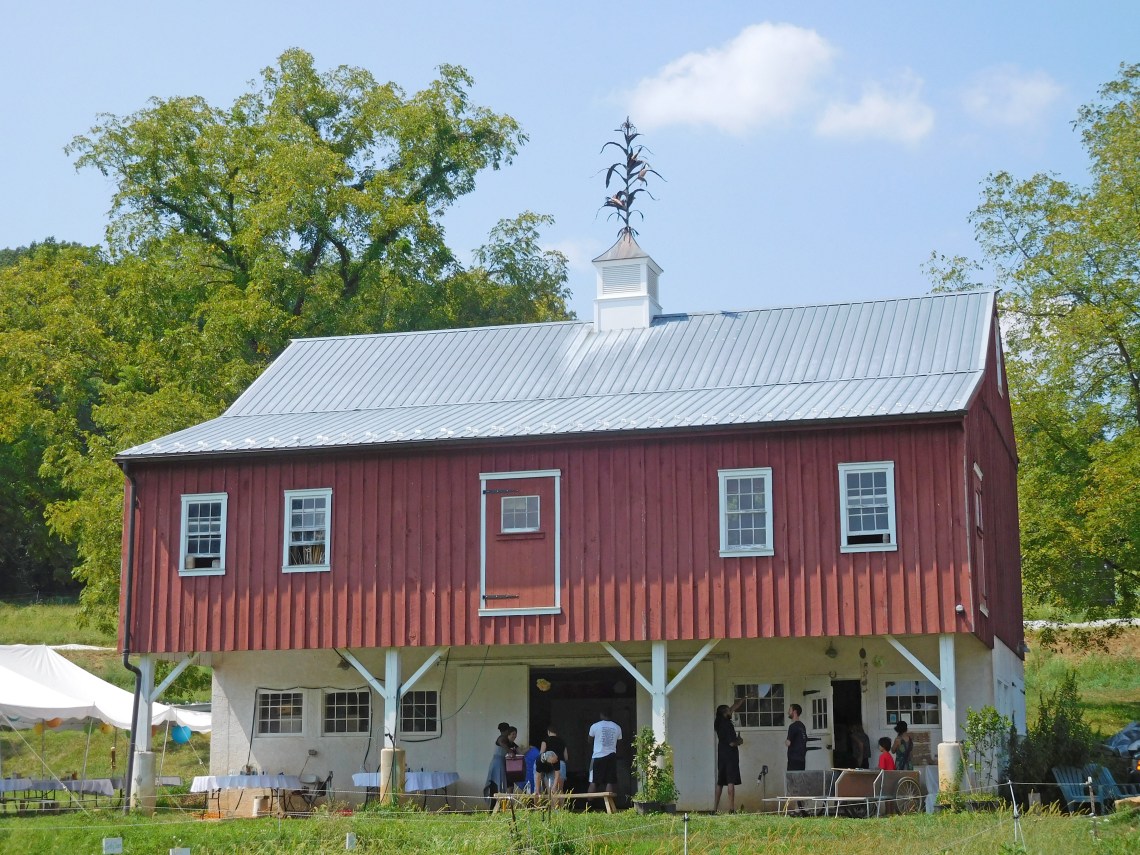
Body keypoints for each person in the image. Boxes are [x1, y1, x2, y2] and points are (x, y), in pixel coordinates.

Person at [713, 697, 746, 812]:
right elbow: (732, 743)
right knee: (730, 781)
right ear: (724, 713)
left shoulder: (718, 722)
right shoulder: (727, 725)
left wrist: (745, 697)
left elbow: (734, 707)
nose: (731, 712)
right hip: (730, 756)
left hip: (721, 755)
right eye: (728, 711)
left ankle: (715, 809)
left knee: (720, 782)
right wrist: (740, 741)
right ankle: (731, 809)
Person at [587, 709, 622, 795]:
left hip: (597, 756)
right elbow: (619, 742)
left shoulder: (595, 726)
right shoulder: (617, 727)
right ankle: (608, 806)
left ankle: (589, 805)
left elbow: (589, 740)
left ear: (601, 715)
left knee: (593, 781)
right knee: (609, 781)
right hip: (611, 756)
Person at [485, 721, 515, 795]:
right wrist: (510, 751)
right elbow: (502, 744)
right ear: (507, 730)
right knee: (498, 781)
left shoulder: (505, 739)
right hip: (498, 762)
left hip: (500, 762)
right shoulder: (502, 738)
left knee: (499, 780)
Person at [538, 724, 568, 794]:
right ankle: (562, 805)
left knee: (551, 792)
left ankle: (553, 805)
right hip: (561, 765)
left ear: (548, 732)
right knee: (560, 791)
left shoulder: (545, 741)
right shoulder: (562, 742)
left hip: (550, 766)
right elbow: (566, 757)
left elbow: (541, 755)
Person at [785, 703, 807, 771]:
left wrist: (786, 741)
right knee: (800, 780)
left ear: (794, 712)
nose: (788, 712)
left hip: (793, 760)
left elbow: (788, 743)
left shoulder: (792, 726)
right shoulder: (802, 726)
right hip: (802, 760)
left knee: (792, 780)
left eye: (789, 710)